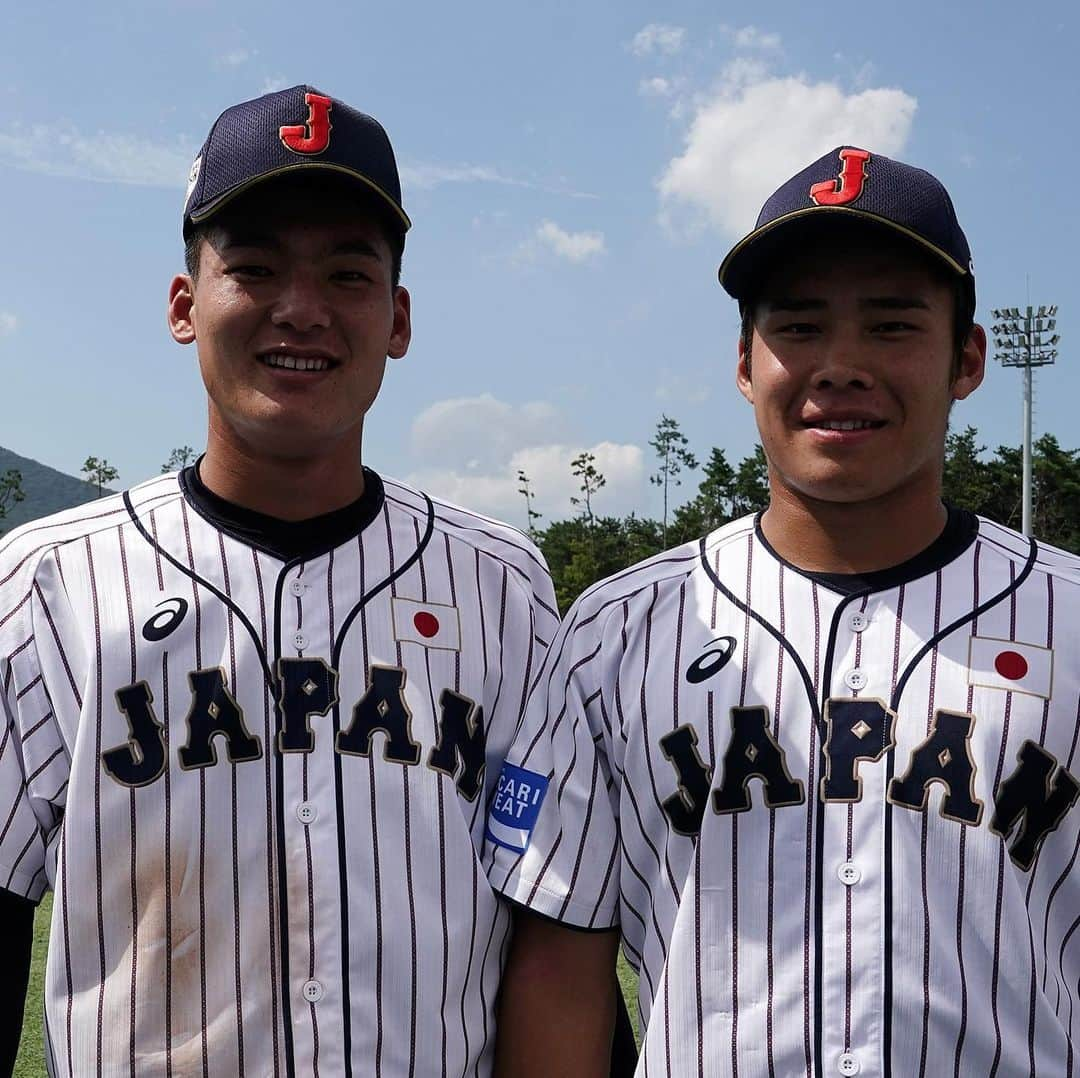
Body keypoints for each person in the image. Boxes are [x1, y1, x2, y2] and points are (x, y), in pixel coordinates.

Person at [0, 85, 566, 1077]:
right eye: (254, 267)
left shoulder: (503, 584)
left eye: (348, 273)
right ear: (185, 304)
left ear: (396, 317)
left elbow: (553, 928)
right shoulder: (47, 581)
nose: (300, 309)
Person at [486, 146, 1080, 1076]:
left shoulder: (1072, 618)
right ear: (743, 362)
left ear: (968, 358)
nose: (840, 366)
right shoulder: (614, 633)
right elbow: (562, 967)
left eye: (891, 327)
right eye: (798, 327)